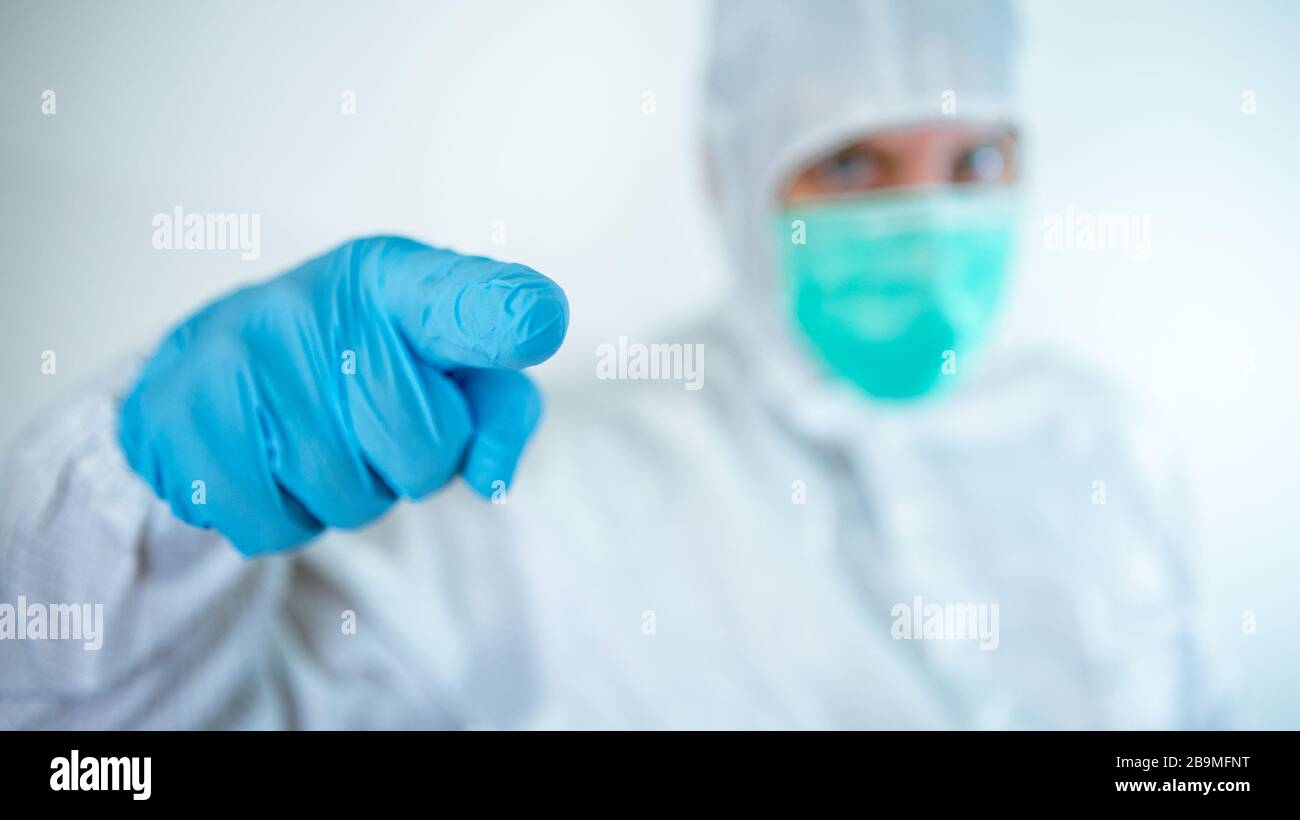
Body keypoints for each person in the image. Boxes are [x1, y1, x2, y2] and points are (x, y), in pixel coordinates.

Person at [0, 0, 1222, 729]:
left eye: (973, 166)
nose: (927, 220)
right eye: (851, 166)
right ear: (731, 180)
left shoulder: (1104, 443)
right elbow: (119, 750)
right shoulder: (536, 482)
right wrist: (147, 511)